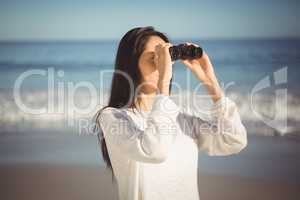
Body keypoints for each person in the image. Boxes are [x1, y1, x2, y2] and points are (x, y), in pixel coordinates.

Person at [94, 26, 247, 200]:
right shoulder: (113, 118)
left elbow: (234, 141)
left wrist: (209, 80)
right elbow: (155, 150)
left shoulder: (180, 119)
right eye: (154, 58)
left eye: (166, 58)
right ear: (131, 64)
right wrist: (163, 84)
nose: (163, 64)